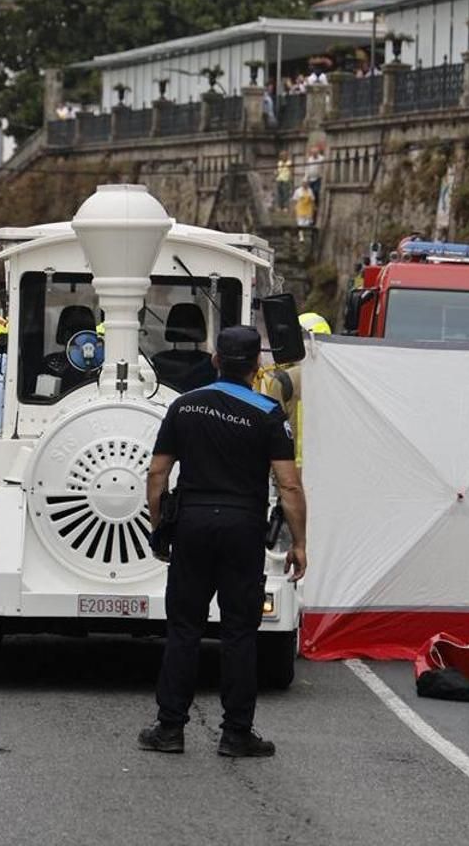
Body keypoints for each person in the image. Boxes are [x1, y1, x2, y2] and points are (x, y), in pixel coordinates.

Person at [138, 325, 306, 759]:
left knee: (183, 630)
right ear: (257, 367)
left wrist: (160, 527)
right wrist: (299, 543)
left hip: (192, 523)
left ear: (215, 360)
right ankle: (236, 733)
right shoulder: (269, 413)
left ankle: (170, 729)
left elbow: (157, 474)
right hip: (242, 527)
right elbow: (288, 486)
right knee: (238, 632)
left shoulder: (184, 406)